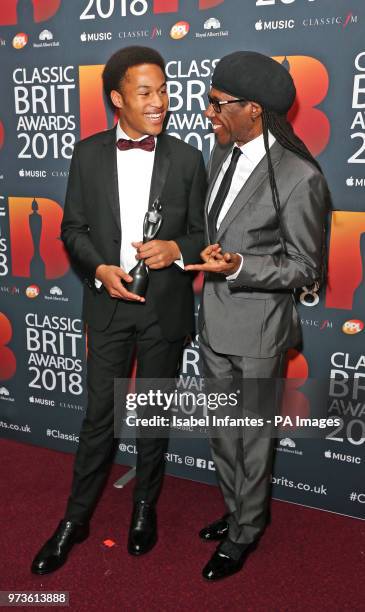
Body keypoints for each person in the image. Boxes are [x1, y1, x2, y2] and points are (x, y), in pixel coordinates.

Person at [31, 46, 206, 575]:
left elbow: (202, 234)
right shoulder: (86, 154)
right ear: (117, 99)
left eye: (164, 90)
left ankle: (144, 507)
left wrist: (176, 250)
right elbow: (72, 229)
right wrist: (99, 270)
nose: (160, 101)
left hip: (164, 311)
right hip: (108, 307)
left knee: (153, 417)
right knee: (98, 420)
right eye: (145, 92)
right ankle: (75, 518)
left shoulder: (188, 157)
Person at [185, 51, 330, 581]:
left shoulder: (298, 178)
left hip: (259, 333)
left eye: (218, 104)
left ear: (255, 110)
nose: (207, 113)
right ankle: (237, 511)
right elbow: (214, 235)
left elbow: (304, 268)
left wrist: (241, 265)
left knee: (251, 435)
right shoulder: (224, 152)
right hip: (214, 323)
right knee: (223, 431)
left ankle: (247, 530)